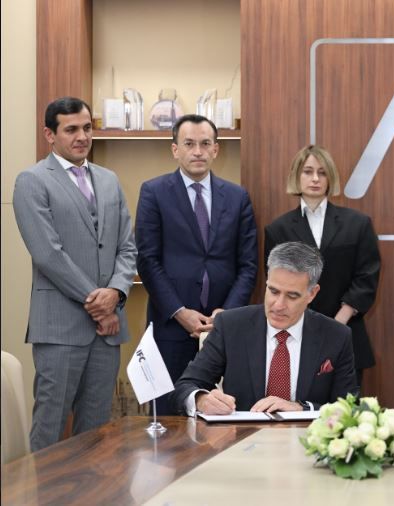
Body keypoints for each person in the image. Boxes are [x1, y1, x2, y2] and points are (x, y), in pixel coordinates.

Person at [12, 97, 137, 451]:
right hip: (60, 327)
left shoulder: (109, 180)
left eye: (86, 128)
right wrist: (100, 305)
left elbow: (127, 247)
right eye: (71, 130)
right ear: (49, 134)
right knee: (50, 428)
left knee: (97, 434)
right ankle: (40, 488)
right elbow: (48, 254)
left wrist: (116, 293)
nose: (82, 137)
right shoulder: (32, 181)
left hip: (107, 331)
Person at [135, 114, 258, 414]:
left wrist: (226, 315)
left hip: (225, 329)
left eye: (205, 144)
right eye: (189, 144)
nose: (198, 151)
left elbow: (248, 264)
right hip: (171, 327)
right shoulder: (154, 192)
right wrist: (179, 312)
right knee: (168, 416)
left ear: (216, 149)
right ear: (175, 149)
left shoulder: (237, 196)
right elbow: (148, 261)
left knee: (225, 414)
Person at [170, 241, 358, 415]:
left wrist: (302, 408)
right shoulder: (230, 325)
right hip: (241, 437)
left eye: (292, 296)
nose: (278, 305)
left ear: (312, 294)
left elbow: (350, 407)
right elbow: (184, 387)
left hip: (305, 438)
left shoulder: (336, 335)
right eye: (273, 291)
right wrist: (201, 400)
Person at [265, 145, 380, 387]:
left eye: (322, 172)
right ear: (297, 176)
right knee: (298, 404)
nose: (315, 179)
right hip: (297, 334)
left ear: (331, 178)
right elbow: (277, 284)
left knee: (345, 408)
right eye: (308, 172)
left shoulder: (357, 224)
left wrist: (339, 321)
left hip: (347, 331)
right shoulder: (278, 229)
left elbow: (367, 276)